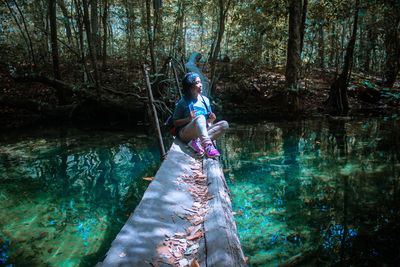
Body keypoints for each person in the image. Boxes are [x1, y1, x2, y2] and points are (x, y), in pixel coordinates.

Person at [172, 72, 229, 158]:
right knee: (200, 118)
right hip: (186, 133)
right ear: (190, 87)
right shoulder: (183, 102)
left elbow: (206, 122)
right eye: (197, 83)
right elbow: (175, 122)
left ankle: (198, 142)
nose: (200, 85)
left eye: (200, 82)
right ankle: (207, 145)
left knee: (224, 125)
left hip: (201, 133)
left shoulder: (205, 100)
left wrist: (211, 120)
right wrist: (188, 119)